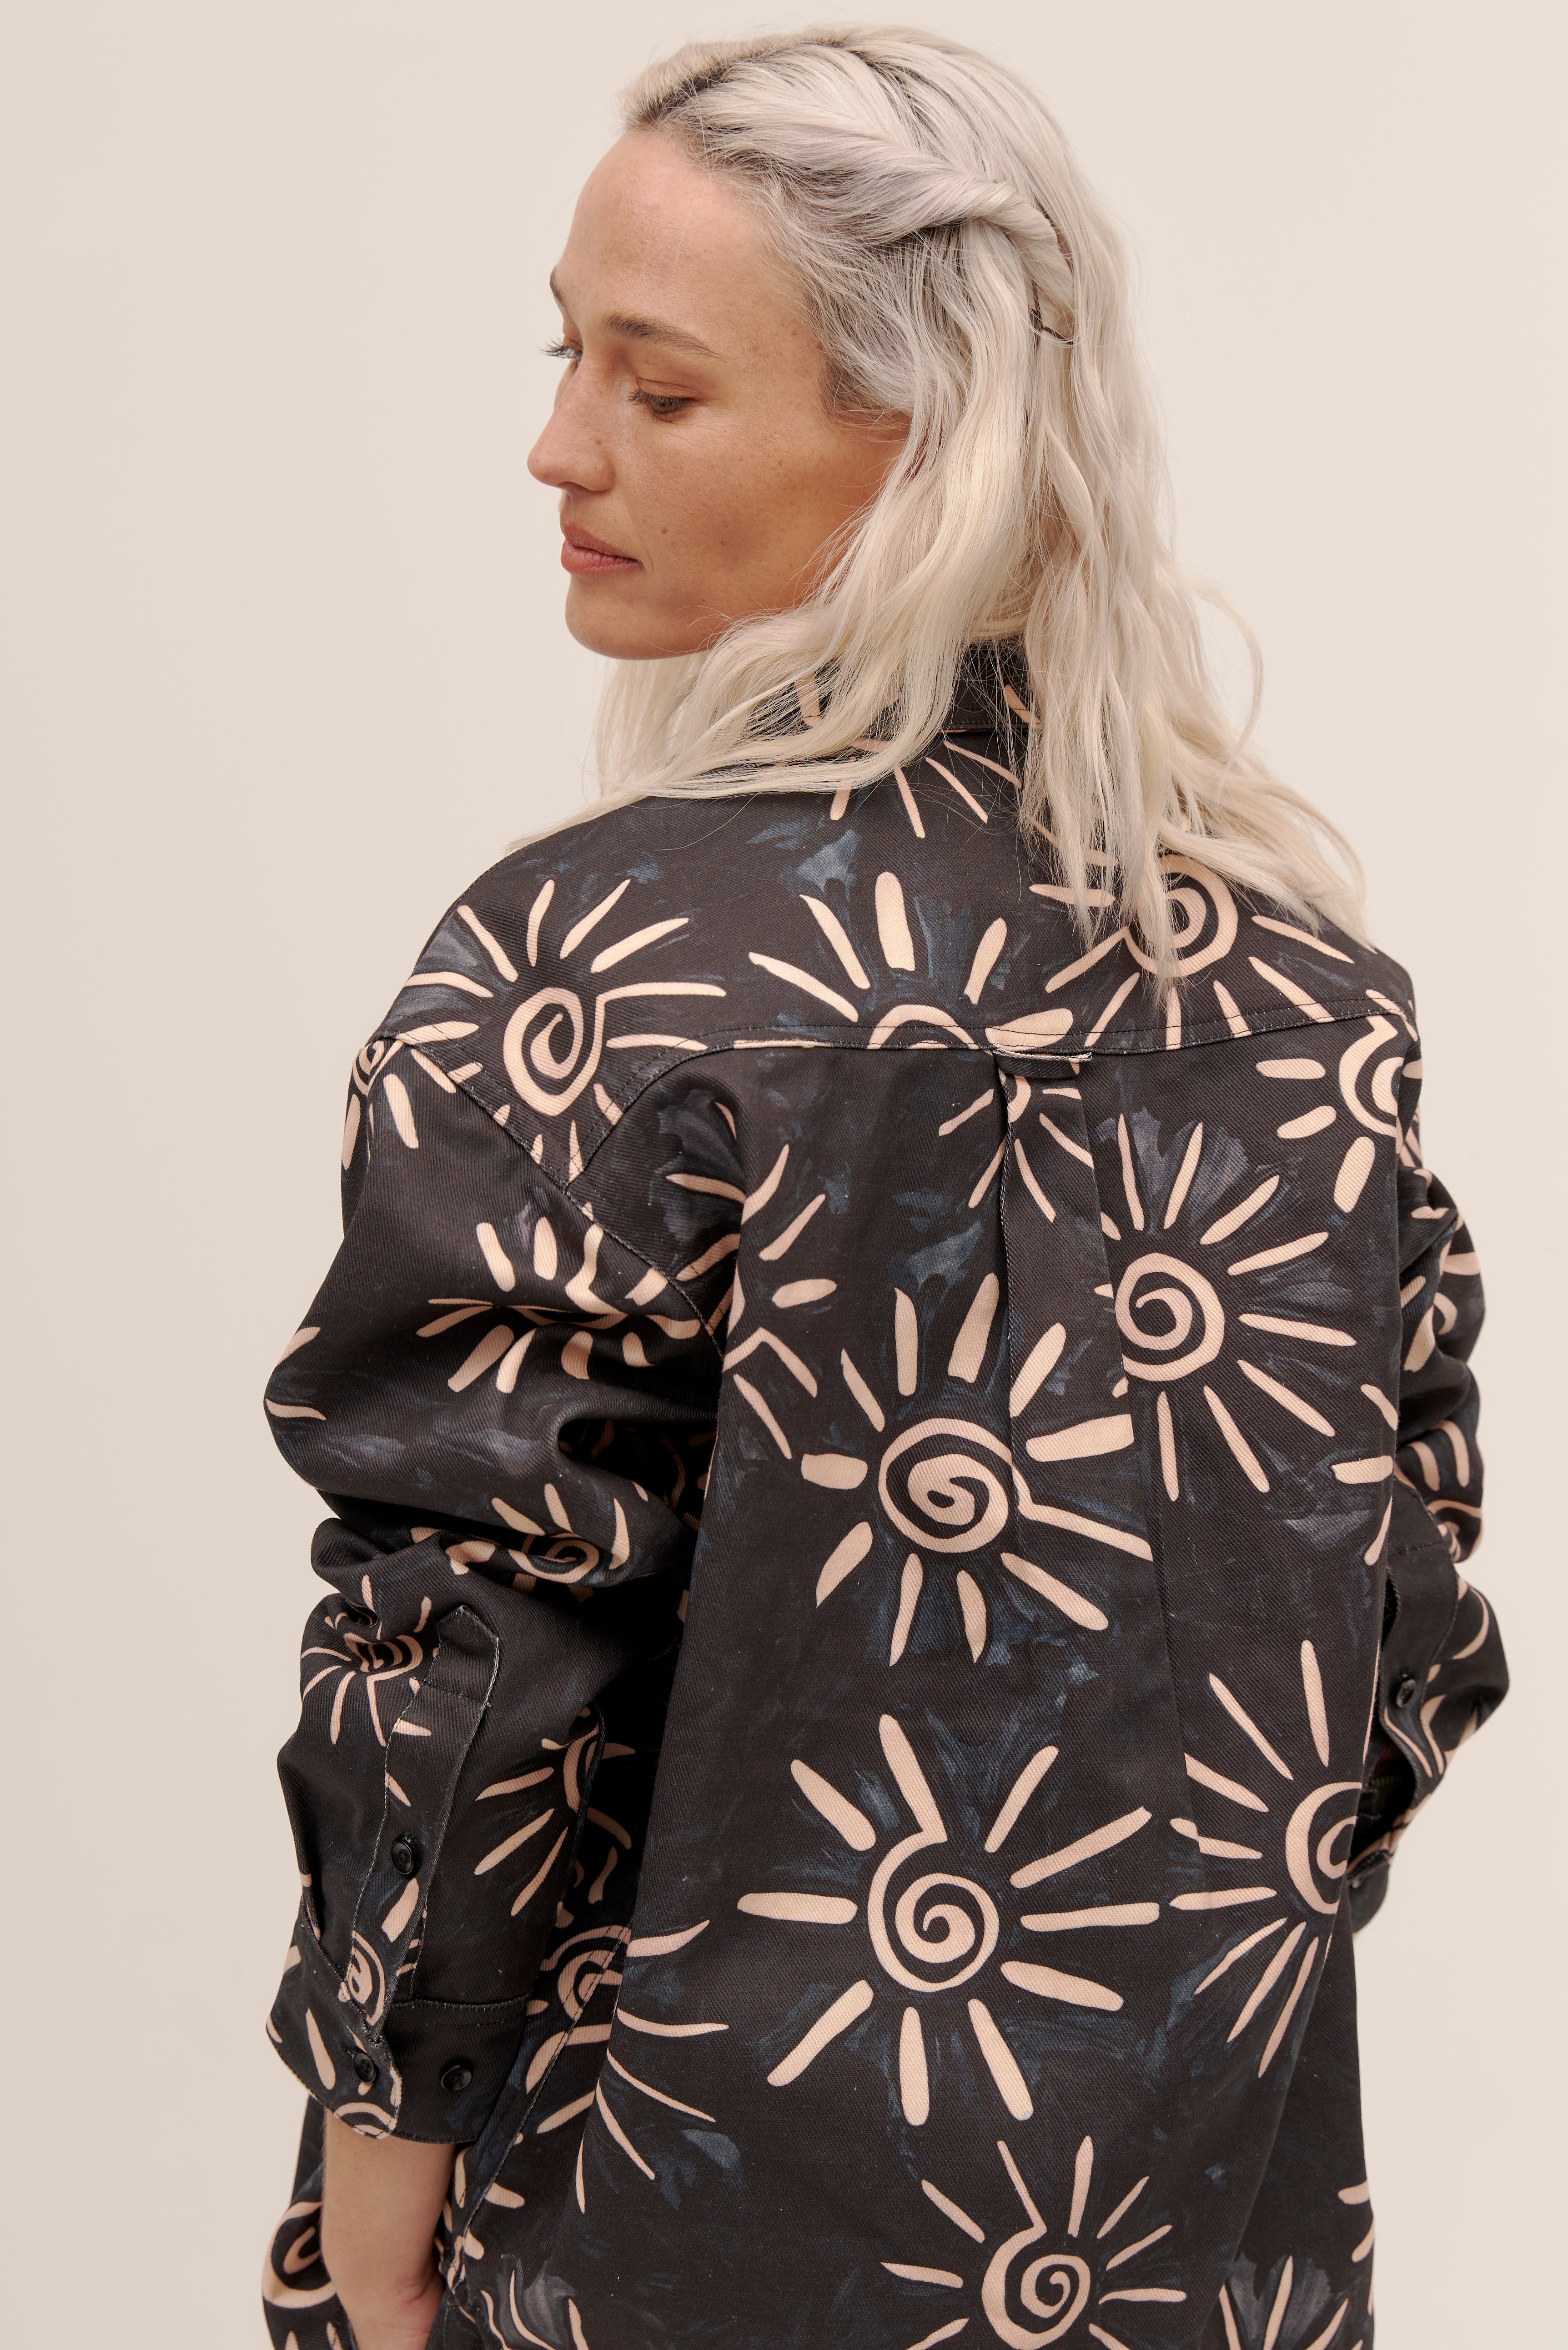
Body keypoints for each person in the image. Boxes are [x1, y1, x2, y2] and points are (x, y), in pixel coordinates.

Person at [259, 28, 1507, 2350]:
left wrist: (374, 2170)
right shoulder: (1300, 991)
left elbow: (473, 1658)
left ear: (930, 435)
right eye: (564, 358)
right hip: (1192, 2256)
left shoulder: (591, 969)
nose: (560, 447)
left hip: (649, 2239)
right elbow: (1404, 1623)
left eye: (658, 386)